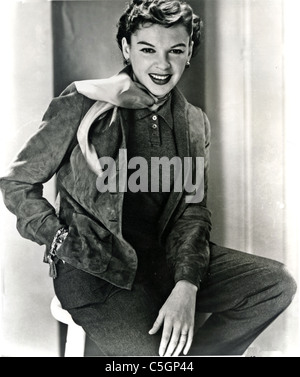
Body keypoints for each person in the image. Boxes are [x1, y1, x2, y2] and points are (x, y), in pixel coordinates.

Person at [0, 0, 297, 356]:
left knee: (275, 284)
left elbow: (192, 212)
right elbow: (17, 184)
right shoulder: (82, 102)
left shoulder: (193, 121)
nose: (162, 64)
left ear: (189, 54)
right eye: (147, 49)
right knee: (160, 359)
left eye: (175, 50)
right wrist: (61, 238)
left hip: (165, 263)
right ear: (127, 48)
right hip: (98, 272)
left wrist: (187, 284)